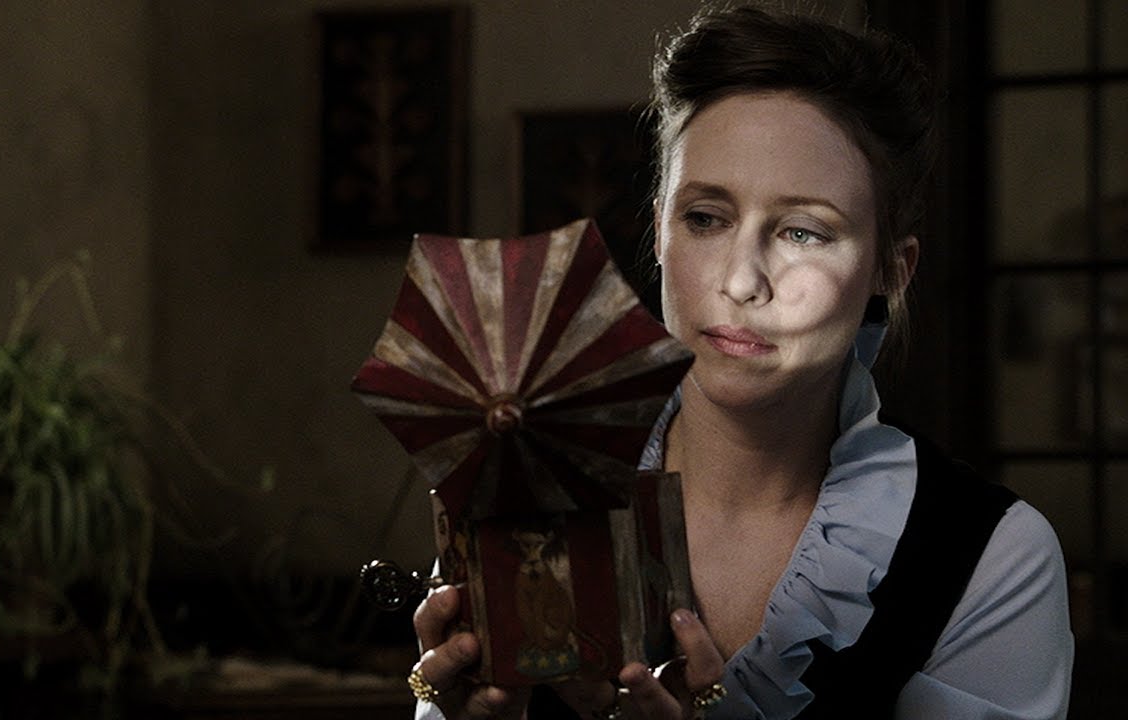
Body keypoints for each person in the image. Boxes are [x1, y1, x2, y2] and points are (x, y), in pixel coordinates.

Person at [406, 4, 1074, 719]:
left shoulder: (990, 556)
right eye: (706, 219)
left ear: (892, 269)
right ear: (659, 230)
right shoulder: (528, 487)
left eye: (804, 232)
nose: (741, 281)